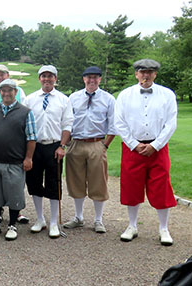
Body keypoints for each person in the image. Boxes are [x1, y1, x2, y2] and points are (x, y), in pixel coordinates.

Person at [115, 59, 177, 246]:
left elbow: (171, 123)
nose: (146, 75)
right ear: (136, 74)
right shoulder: (125, 95)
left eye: (150, 72)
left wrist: (156, 145)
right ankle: (132, 226)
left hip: (157, 148)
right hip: (132, 148)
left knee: (161, 186)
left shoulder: (167, 94)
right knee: (131, 186)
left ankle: (163, 228)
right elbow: (119, 123)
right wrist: (134, 144)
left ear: (155, 74)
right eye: (142, 72)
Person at [0, 79, 37, 241]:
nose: (6, 93)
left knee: (14, 194)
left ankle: (12, 225)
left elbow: (31, 138)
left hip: (15, 162)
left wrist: (28, 158)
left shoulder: (25, 112)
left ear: (15, 92)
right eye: (3, 90)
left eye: (9, 90)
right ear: (0, 92)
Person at [63, 66, 117, 234]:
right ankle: (79, 217)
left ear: (100, 79)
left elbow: (113, 126)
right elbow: (66, 121)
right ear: (84, 79)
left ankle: (98, 219)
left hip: (96, 143)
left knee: (98, 182)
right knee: (76, 181)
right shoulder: (73, 97)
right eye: (88, 77)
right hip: (76, 143)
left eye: (95, 77)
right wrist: (68, 142)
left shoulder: (108, 99)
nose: (92, 80)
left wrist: (104, 145)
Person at [23, 65, 74, 239]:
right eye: (44, 76)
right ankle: (40, 219)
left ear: (55, 79)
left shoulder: (63, 100)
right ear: (39, 79)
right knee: (34, 182)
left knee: (54, 183)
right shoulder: (30, 99)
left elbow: (67, 124)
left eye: (50, 76)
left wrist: (62, 146)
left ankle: (53, 222)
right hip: (34, 146)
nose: (47, 79)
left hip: (54, 146)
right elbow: (25, 124)